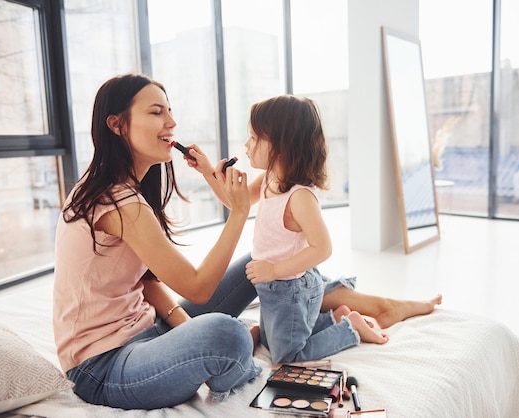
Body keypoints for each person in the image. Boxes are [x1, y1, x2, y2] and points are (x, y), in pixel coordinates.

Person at [53, 73, 261, 410]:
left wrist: (182, 325)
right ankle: (240, 362)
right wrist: (238, 213)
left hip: (148, 329)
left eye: (169, 111)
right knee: (228, 334)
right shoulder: (118, 201)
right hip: (103, 368)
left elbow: (145, 281)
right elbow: (198, 288)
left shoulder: (123, 190)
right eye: (156, 112)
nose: (172, 122)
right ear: (117, 124)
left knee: (257, 264)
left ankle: (243, 342)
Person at [184, 95, 442, 365]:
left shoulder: (300, 197)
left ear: (280, 145)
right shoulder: (269, 178)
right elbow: (235, 202)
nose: (246, 145)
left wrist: (273, 270)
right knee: (278, 340)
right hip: (271, 286)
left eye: (253, 138)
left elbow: (323, 248)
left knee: (287, 356)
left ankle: (350, 329)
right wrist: (206, 172)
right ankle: (337, 316)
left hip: (291, 288)